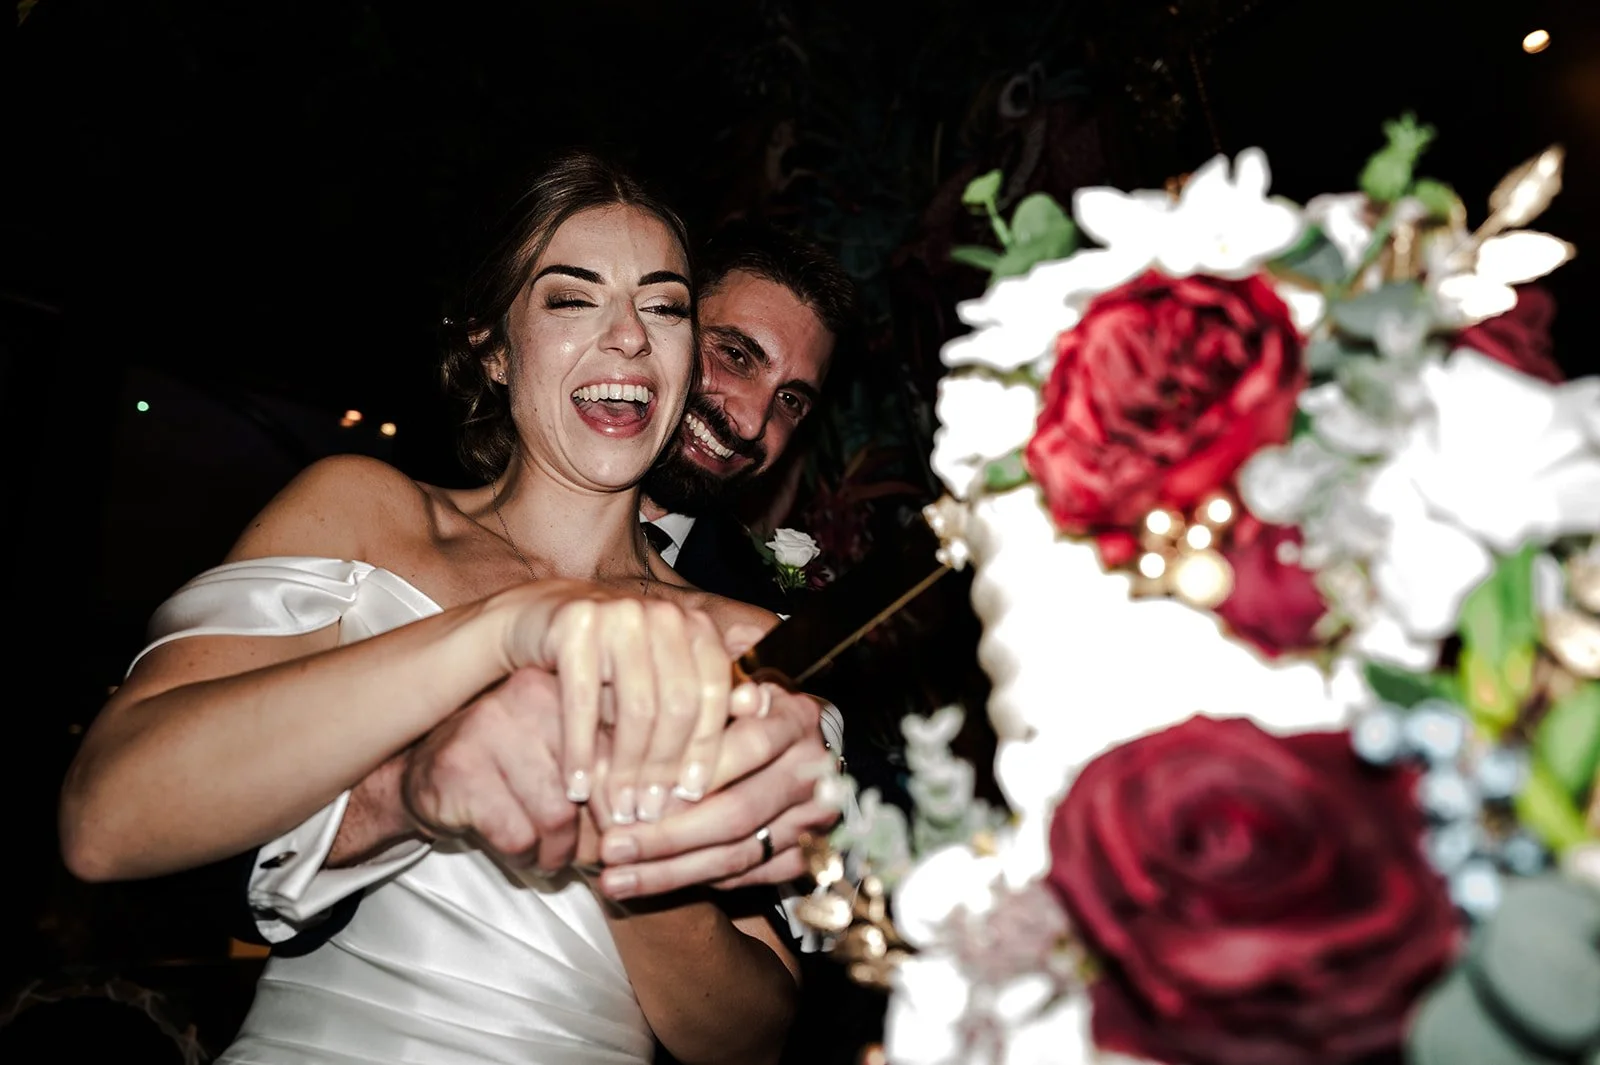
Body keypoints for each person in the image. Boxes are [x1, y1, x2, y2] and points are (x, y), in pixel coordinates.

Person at [58, 147, 842, 1065]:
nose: (629, 335)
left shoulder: (750, 644)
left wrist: (617, 839)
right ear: (492, 347)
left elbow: (748, 1040)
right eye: (572, 296)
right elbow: (105, 820)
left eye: (664, 304)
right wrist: (494, 643)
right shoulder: (365, 512)